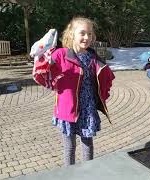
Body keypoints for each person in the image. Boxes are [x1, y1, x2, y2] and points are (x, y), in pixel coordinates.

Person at [32, 17, 115, 166]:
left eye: (90, 34)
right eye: (82, 33)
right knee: (69, 146)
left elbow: (104, 77)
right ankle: (68, 174)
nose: (87, 37)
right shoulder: (60, 54)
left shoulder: (93, 56)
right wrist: (42, 52)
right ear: (72, 34)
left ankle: (87, 173)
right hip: (67, 108)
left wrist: (103, 92)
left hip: (87, 108)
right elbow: (42, 71)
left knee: (87, 144)